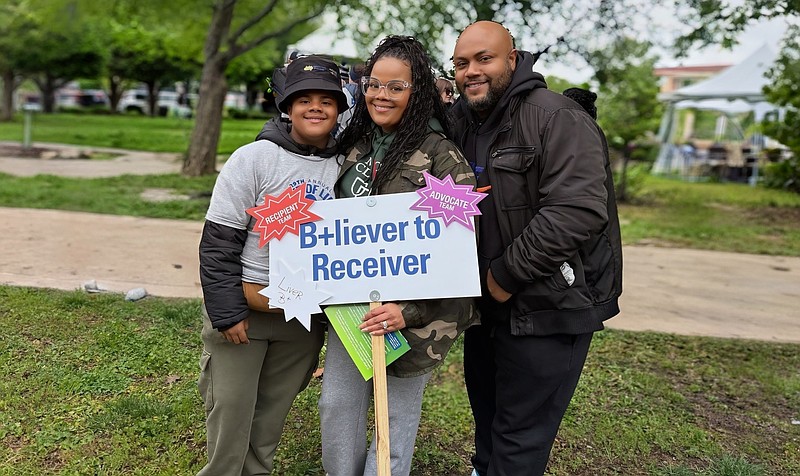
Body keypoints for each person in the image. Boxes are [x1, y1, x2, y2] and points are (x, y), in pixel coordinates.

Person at [450, 21, 623, 476]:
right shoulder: (465, 124)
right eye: (462, 63)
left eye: (484, 59)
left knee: (519, 439)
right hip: (486, 308)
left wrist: (504, 277)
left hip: (549, 306)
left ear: (513, 58)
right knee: (487, 424)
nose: (471, 71)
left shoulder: (557, 117)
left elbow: (577, 211)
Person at [318, 35, 478, 476]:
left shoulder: (442, 157)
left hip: (417, 319)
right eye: (374, 84)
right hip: (353, 310)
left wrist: (408, 310)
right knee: (337, 407)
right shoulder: (354, 145)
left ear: (418, 91)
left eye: (396, 87)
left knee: (395, 422)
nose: (380, 95)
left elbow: (460, 254)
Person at [196, 55, 348, 476]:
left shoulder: (346, 167)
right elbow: (218, 244)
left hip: (302, 320)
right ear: (286, 105)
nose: (315, 107)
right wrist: (226, 312)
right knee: (231, 409)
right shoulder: (255, 159)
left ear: (340, 109)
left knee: (272, 412)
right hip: (245, 309)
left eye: (327, 100)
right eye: (304, 99)